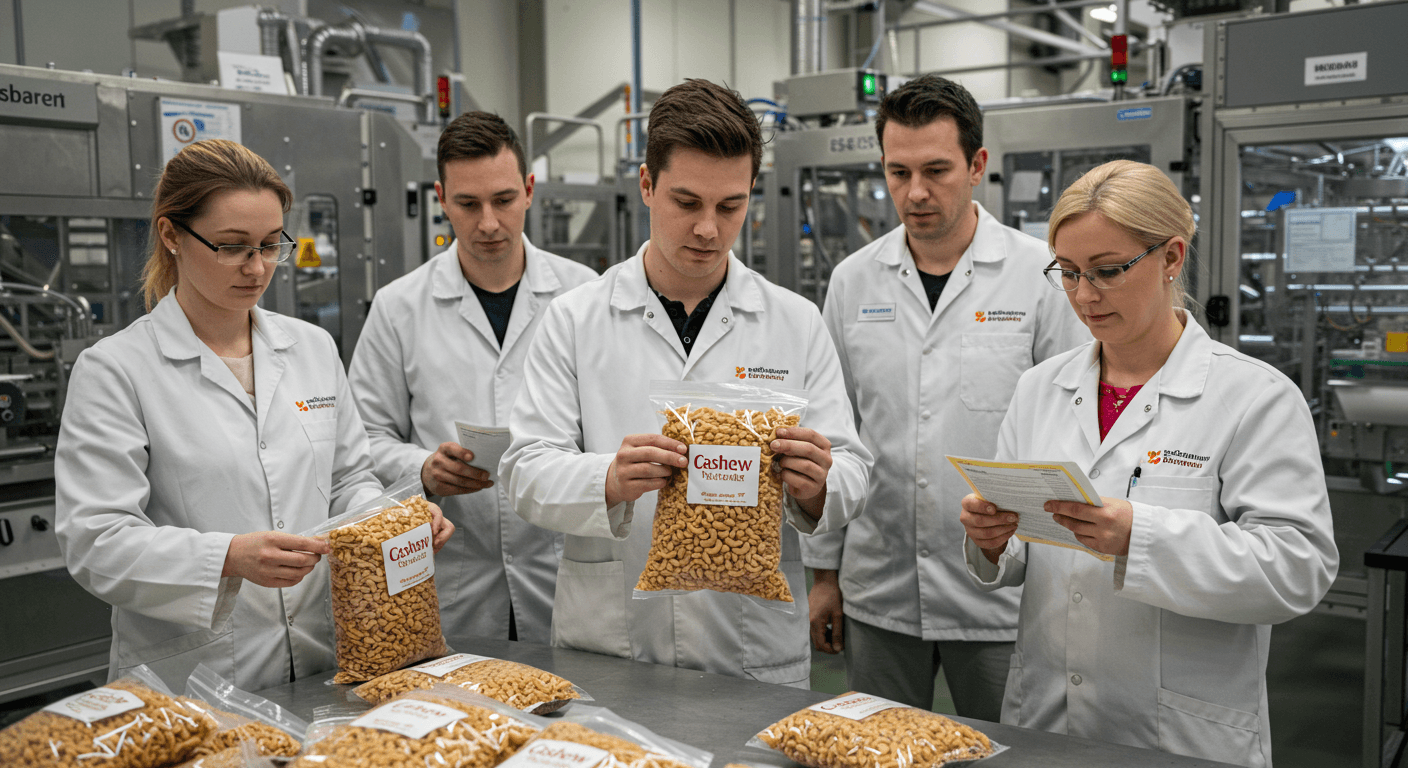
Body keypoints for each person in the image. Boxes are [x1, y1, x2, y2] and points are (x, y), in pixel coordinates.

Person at [959, 160, 1338, 767]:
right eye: (1070, 272)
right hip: (1047, 718)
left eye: (1108, 271)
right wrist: (990, 539)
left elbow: (1298, 567)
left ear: (1171, 258)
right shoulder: (1039, 389)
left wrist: (1143, 536)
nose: (1085, 295)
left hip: (1183, 733)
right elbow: (1020, 551)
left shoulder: (1252, 396)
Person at [501, 78, 872, 685]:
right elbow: (524, 471)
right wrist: (609, 479)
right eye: (687, 202)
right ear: (646, 185)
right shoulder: (575, 318)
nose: (708, 229)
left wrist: (816, 485)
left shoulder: (794, 321)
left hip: (749, 643)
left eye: (730, 206)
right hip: (614, 637)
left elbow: (853, 467)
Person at [55, 139, 453, 693]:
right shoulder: (117, 370)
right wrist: (228, 557)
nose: (258, 267)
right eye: (232, 246)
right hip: (192, 673)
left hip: (321, 659)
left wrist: (395, 521)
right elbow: (95, 540)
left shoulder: (311, 348)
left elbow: (348, 481)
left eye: (271, 245)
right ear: (171, 236)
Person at [803, 74, 1088, 719]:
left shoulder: (1039, 275)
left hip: (1002, 591)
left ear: (977, 165)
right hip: (879, 586)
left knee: (1007, 755)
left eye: (936, 170)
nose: (916, 192)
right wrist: (823, 576)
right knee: (876, 756)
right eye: (897, 172)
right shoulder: (853, 281)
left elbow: (1073, 431)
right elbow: (827, 435)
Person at [349, 111, 596, 644]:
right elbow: (361, 441)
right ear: (441, 198)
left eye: (504, 200)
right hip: (452, 576)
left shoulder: (585, 297)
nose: (488, 223)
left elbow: (608, 428)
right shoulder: (399, 308)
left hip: (562, 568)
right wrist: (424, 470)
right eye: (468, 203)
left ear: (529, 190)